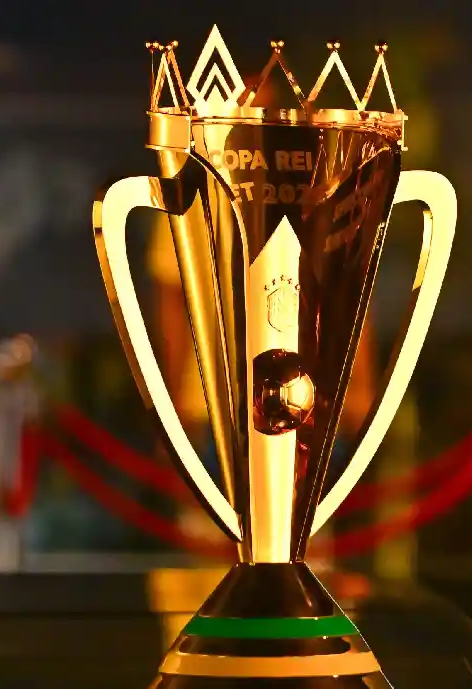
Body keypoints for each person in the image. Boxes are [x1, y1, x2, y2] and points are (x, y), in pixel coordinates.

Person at [146, 72, 378, 648]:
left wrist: (358, 383)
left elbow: (350, 288)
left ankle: (307, 653)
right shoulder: (192, 188)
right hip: (214, 404)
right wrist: (170, 399)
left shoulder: (323, 182)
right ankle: (207, 652)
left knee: (308, 544)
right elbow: (174, 306)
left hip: (308, 396)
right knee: (210, 544)